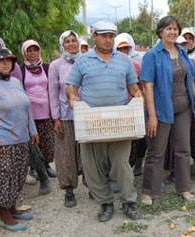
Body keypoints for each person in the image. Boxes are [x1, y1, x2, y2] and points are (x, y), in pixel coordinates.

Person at [66, 21, 143, 222]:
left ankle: (129, 201)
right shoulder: (82, 61)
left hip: (119, 122)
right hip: (91, 122)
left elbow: (133, 87)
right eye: (104, 36)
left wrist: (138, 97)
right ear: (95, 37)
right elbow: (72, 87)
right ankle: (106, 203)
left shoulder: (124, 61)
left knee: (121, 164)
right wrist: (73, 100)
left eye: (111, 36)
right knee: (93, 166)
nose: (108, 40)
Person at [140, 16, 195, 205]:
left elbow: (189, 78)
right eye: (169, 29)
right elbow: (148, 86)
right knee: (156, 151)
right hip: (161, 110)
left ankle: (184, 188)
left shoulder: (182, 51)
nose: (173, 32)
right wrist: (152, 116)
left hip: (183, 107)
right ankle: (148, 191)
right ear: (160, 32)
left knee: (183, 149)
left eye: (175, 29)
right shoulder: (152, 55)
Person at [0, 46, 39, 231]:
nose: (6, 63)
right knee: (1, 177)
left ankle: (13, 208)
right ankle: (4, 215)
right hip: (1, 142)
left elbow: (25, 106)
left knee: (18, 174)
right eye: (1, 60)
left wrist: (33, 130)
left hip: (20, 138)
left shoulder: (15, 82)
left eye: (9, 60)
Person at [165, 35, 195, 179]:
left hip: (192, 106)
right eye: (179, 45)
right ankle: (174, 169)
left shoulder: (193, 64)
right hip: (173, 107)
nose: (182, 47)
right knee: (174, 140)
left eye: (184, 44)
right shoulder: (165, 64)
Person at [48, 30, 83, 208]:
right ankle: (69, 191)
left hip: (85, 114)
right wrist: (56, 118)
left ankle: (93, 186)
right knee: (66, 154)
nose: (71, 44)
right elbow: (53, 93)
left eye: (74, 41)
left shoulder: (86, 61)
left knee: (87, 153)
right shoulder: (55, 66)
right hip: (65, 116)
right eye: (67, 41)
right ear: (62, 45)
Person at [20, 40, 57, 179]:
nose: (33, 53)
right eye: (29, 50)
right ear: (24, 53)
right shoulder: (21, 69)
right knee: (32, 141)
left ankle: (46, 166)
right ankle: (34, 168)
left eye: (35, 50)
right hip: (29, 112)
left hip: (45, 111)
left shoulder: (46, 68)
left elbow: (51, 89)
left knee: (47, 140)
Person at [114, 33, 145, 176]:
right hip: (118, 109)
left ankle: (136, 164)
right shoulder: (111, 65)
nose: (123, 52)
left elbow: (141, 86)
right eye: (120, 49)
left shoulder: (136, 65)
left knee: (137, 139)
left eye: (126, 49)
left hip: (134, 108)